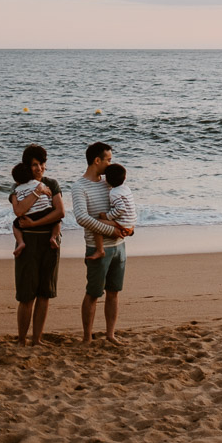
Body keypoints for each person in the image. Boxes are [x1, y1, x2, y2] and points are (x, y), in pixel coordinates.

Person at [71, 141, 134, 344]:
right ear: (97, 161)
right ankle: (87, 338)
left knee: (114, 292)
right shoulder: (79, 186)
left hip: (119, 246)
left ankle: (110, 335)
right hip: (97, 247)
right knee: (93, 293)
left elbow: (124, 207)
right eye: (108, 160)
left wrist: (127, 229)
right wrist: (112, 230)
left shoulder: (111, 183)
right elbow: (81, 217)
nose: (110, 164)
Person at [9, 143, 64, 345]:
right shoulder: (18, 187)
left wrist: (36, 222)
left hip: (50, 242)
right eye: (34, 164)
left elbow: (60, 212)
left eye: (41, 163)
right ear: (27, 166)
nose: (39, 168)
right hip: (28, 243)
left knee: (44, 293)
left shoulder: (53, 183)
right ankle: (22, 339)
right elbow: (19, 211)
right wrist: (37, 191)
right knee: (26, 295)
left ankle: (37, 339)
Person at [86, 162, 137, 260]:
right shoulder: (126, 188)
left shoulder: (114, 192)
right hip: (131, 222)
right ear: (124, 178)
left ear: (106, 180)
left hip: (122, 223)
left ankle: (100, 250)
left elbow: (121, 208)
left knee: (95, 223)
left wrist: (107, 216)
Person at [9, 162, 58, 256]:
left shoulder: (17, 189)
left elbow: (19, 205)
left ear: (17, 181)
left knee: (15, 225)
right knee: (57, 221)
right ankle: (53, 237)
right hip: (46, 211)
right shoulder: (40, 184)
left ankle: (20, 242)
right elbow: (49, 196)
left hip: (30, 215)